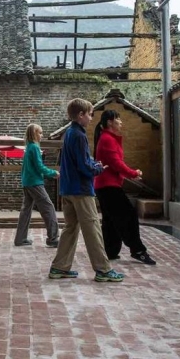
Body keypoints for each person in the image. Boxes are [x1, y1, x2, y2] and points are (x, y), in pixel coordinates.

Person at [49, 98, 124, 282]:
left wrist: (92, 164)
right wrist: (98, 168)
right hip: (81, 190)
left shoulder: (69, 133)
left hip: (67, 188)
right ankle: (103, 269)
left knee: (70, 228)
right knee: (92, 229)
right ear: (81, 115)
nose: (91, 118)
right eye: (90, 114)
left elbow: (79, 160)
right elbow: (84, 165)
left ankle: (59, 267)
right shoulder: (80, 135)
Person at [93, 110, 157, 265]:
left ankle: (110, 251)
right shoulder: (107, 139)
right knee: (129, 216)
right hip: (108, 186)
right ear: (110, 122)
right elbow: (116, 163)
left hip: (105, 185)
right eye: (118, 119)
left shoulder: (107, 138)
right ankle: (138, 250)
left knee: (111, 219)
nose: (121, 122)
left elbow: (116, 163)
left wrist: (131, 173)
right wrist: (133, 173)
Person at [14, 123, 60, 247]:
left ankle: (20, 239)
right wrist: (53, 173)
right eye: (40, 133)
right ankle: (53, 238)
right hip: (35, 183)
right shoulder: (34, 147)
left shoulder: (29, 147)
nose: (42, 135)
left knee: (26, 210)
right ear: (34, 134)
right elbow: (39, 167)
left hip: (27, 182)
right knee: (48, 207)